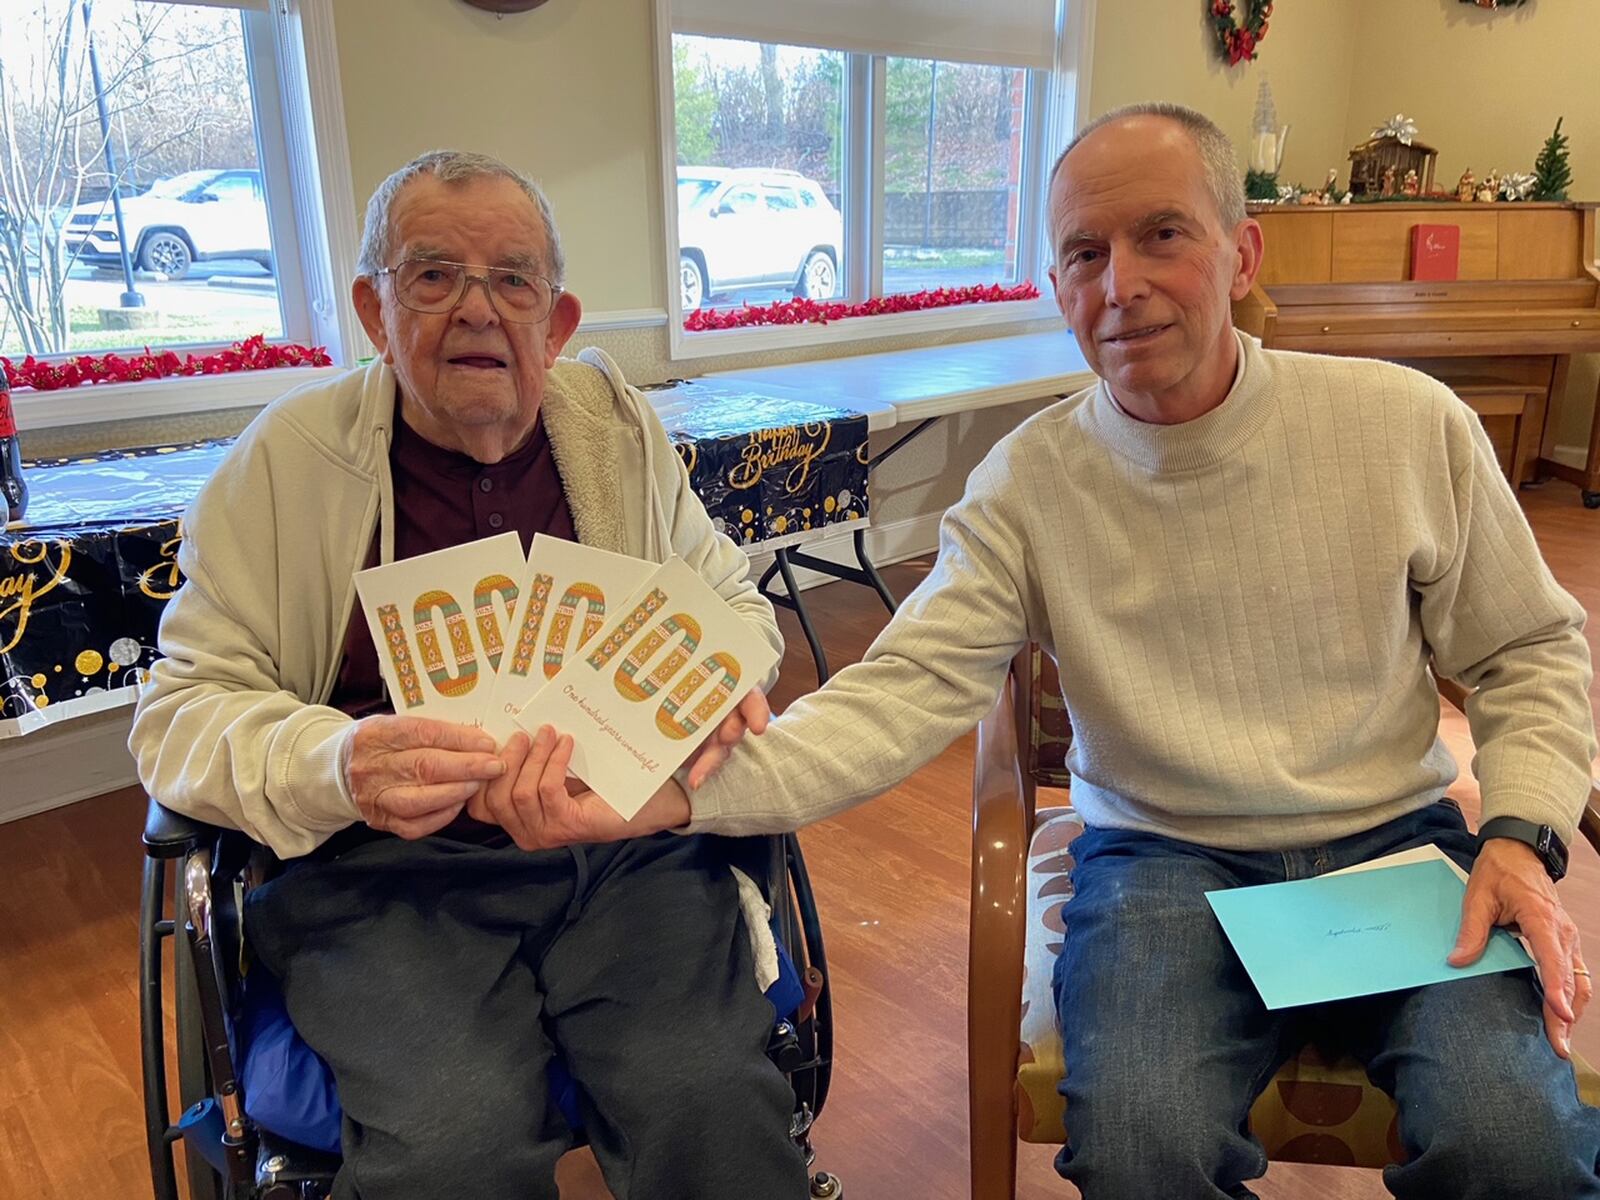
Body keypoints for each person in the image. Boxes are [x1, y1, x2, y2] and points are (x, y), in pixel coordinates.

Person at [517, 105, 1600, 1198]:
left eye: (1161, 235)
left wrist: (1518, 837)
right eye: (1085, 252)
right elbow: (891, 698)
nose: (1118, 284)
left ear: (1241, 253)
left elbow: (1528, 647)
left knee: (1518, 1146)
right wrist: (663, 798)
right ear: (1057, 282)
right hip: (1160, 861)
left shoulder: (1403, 426)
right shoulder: (1029, 485)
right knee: (1140, 1149)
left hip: (1393, 848)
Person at [129, 149, 810, 1200]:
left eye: (512, 279)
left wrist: (707, 683)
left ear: (558, 319)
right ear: (373, 309)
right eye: (433, 275)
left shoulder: (615, 432)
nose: (477, 310)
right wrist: (338, 760)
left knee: (709, 1097)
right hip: (381, 872)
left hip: (615, 849)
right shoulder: (284, 463)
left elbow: (733, 609)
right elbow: (176, 716)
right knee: (454, 1140)